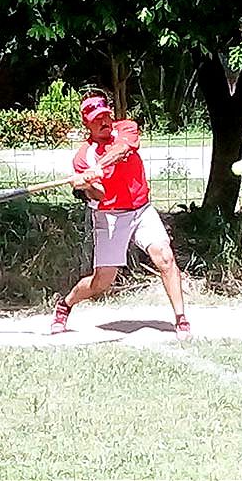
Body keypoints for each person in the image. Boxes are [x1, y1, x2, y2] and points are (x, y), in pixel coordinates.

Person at [50, 92, 192, 340]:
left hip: (141, 209)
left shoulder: (126, 128)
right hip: (110, 217)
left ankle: (181, 320)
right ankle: (66, 304)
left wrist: (99, 167)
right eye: (97, 120)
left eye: (105, 116)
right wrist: (85, 184)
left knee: (165, 257)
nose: (104, 122)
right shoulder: (83, 157)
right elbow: (99, 196)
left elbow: (124, 150)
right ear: (87, 124)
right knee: (101, 283)